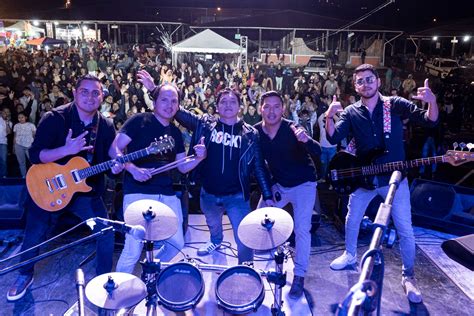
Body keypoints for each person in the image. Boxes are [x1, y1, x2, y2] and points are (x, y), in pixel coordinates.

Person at [325, 64, 438, 304]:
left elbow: (430, 120)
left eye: (369, 79)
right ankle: (349, 254)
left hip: (394, 180)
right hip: (365, 180)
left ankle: (409, 277)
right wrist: (328, 115)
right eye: (360, 81)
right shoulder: (352, 112)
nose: (365, 84)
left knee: (405, 229)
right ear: (355, 87)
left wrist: (431, 101)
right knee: (352, 218)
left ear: (378, 81)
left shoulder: (395, 104)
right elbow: (334, 136)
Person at [7, 74, 124, 302]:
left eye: (96, 92)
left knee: (106, 232)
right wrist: (65, 150)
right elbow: (35, 155)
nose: (90, 97)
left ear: (102, 96)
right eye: (85, 91)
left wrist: (118, 162)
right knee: (33, 234)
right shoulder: (55, 118)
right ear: (74, 92)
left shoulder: (106, 125)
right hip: (49, 187)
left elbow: (112, 152)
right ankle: (24, 274)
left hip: (84, 192)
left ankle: (104, 279)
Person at [151, 85, 273, 264]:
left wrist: (267, 194)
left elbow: (258, 165)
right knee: (213, 225)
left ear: (240, 106)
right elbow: (176, 110)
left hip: (238, 196)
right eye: (223, 102)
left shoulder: (250, 134)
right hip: (208, 193)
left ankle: (246, 269)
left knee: (244, 238)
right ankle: (216, 241)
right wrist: (154, 89)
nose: (228, 105)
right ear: (216, 107)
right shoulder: (206, 125)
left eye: (233, 102)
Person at [111, 74, 206, 274]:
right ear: (154, 101)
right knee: (133, 248)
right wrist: (132, 169)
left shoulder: (175, 132)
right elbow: (115, 150)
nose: (169, 105)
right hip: (137, 191)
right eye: (164, 99)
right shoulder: (139, 121)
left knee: (177, 243)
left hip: (166, 193)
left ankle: (150, 269)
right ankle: (118, 292)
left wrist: (198, 158)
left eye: (174, 101)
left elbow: (181, 166)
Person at [254, 91, 321, 299]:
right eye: (267, 106)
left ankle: (299, 275)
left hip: (304, 184)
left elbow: (318, 151)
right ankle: (261, 257)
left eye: (276, 106)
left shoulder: (293, 128)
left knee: (302, 229)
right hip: (281, 184)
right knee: (259, 218)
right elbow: (259, 167)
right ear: (260, 109)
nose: (271, 111)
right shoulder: (256, 132)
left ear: (283, 109)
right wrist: (266, 193)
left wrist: (307, 140)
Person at [13, 111, 36, 177]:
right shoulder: (16, 126)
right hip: (18, 145)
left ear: (25, 117)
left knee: (33, 161)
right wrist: (13, 146)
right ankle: (24, 176)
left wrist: (34, 146)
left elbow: (34, 136)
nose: (20, 119)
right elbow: (15, 136)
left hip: (29, 145)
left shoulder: (31, 125)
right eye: (19, 117)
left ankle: (35, 175)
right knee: (21, 162)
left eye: (22, 117)